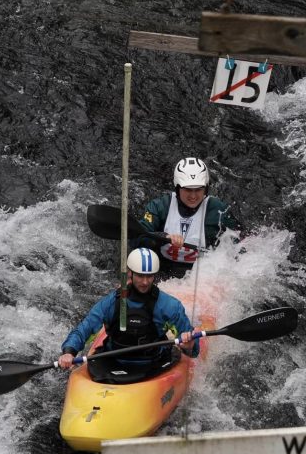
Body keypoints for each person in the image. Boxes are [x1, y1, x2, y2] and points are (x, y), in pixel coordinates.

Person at [57, 248, 200, 383]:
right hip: (112, 361)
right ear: (130, 273)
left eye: (149, 276)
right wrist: (69, 351)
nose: (145, 282)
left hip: (153, 364)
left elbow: (193, 350)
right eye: (140, 275)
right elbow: (85, 328)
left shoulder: (169, 306)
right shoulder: (112, 302)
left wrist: (188, 345)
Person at [135, 156, 241, 279]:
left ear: (206, 188)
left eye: (198, 190)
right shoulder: (160, 206)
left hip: (202, 274)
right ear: (178, 187)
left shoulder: (218, 210)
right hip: (162, 270)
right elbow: (137, 238)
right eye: (188, 190)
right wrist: (164, 237)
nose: (193, 196)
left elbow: (239, 244)